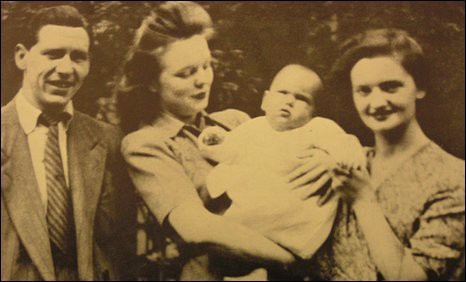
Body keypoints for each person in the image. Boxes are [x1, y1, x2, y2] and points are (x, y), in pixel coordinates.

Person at [118, 2, 301, 280]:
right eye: (186, 73)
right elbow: (196, 228)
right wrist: (292, 258)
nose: (202, 80)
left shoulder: (236, 122)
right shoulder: (147, 145)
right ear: (152, 81)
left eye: (206, 66)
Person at [306, 28, 465, 280]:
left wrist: (363, 200)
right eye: (363, 91)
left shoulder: (454, 179)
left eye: (390, 87)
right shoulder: (348, 162)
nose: (377, 103)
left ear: (420, 88)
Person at [1, 5, 135, 281]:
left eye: (78, 57)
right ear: (22, 56)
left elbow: (121, 246)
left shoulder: (108, 140)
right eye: (52, 54)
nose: (65, 69)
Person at [198, 64, 365, 266]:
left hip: (294, 226)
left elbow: (344, 144)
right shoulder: (254, 128)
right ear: (265, 100)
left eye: (302, 98)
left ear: (314, 111)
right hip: (248, 219)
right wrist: (211, 139)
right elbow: (226, 150)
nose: (289, 101)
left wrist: (349, 154)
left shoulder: (318, 128)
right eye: (282, 93)